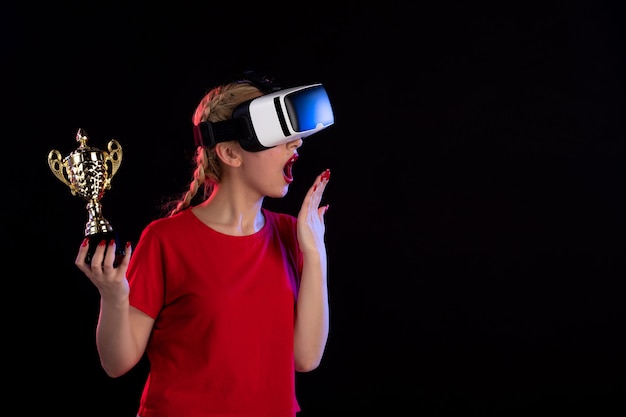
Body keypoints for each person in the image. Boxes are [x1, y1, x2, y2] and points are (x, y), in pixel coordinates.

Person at [75, 72, 333, 417]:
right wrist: (113, 297)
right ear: (229, 153)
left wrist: (316, 254)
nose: (296, 143)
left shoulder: (294, 234)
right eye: (278, 134)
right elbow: (116, 363)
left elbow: (306, 359)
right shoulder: (166, 239)